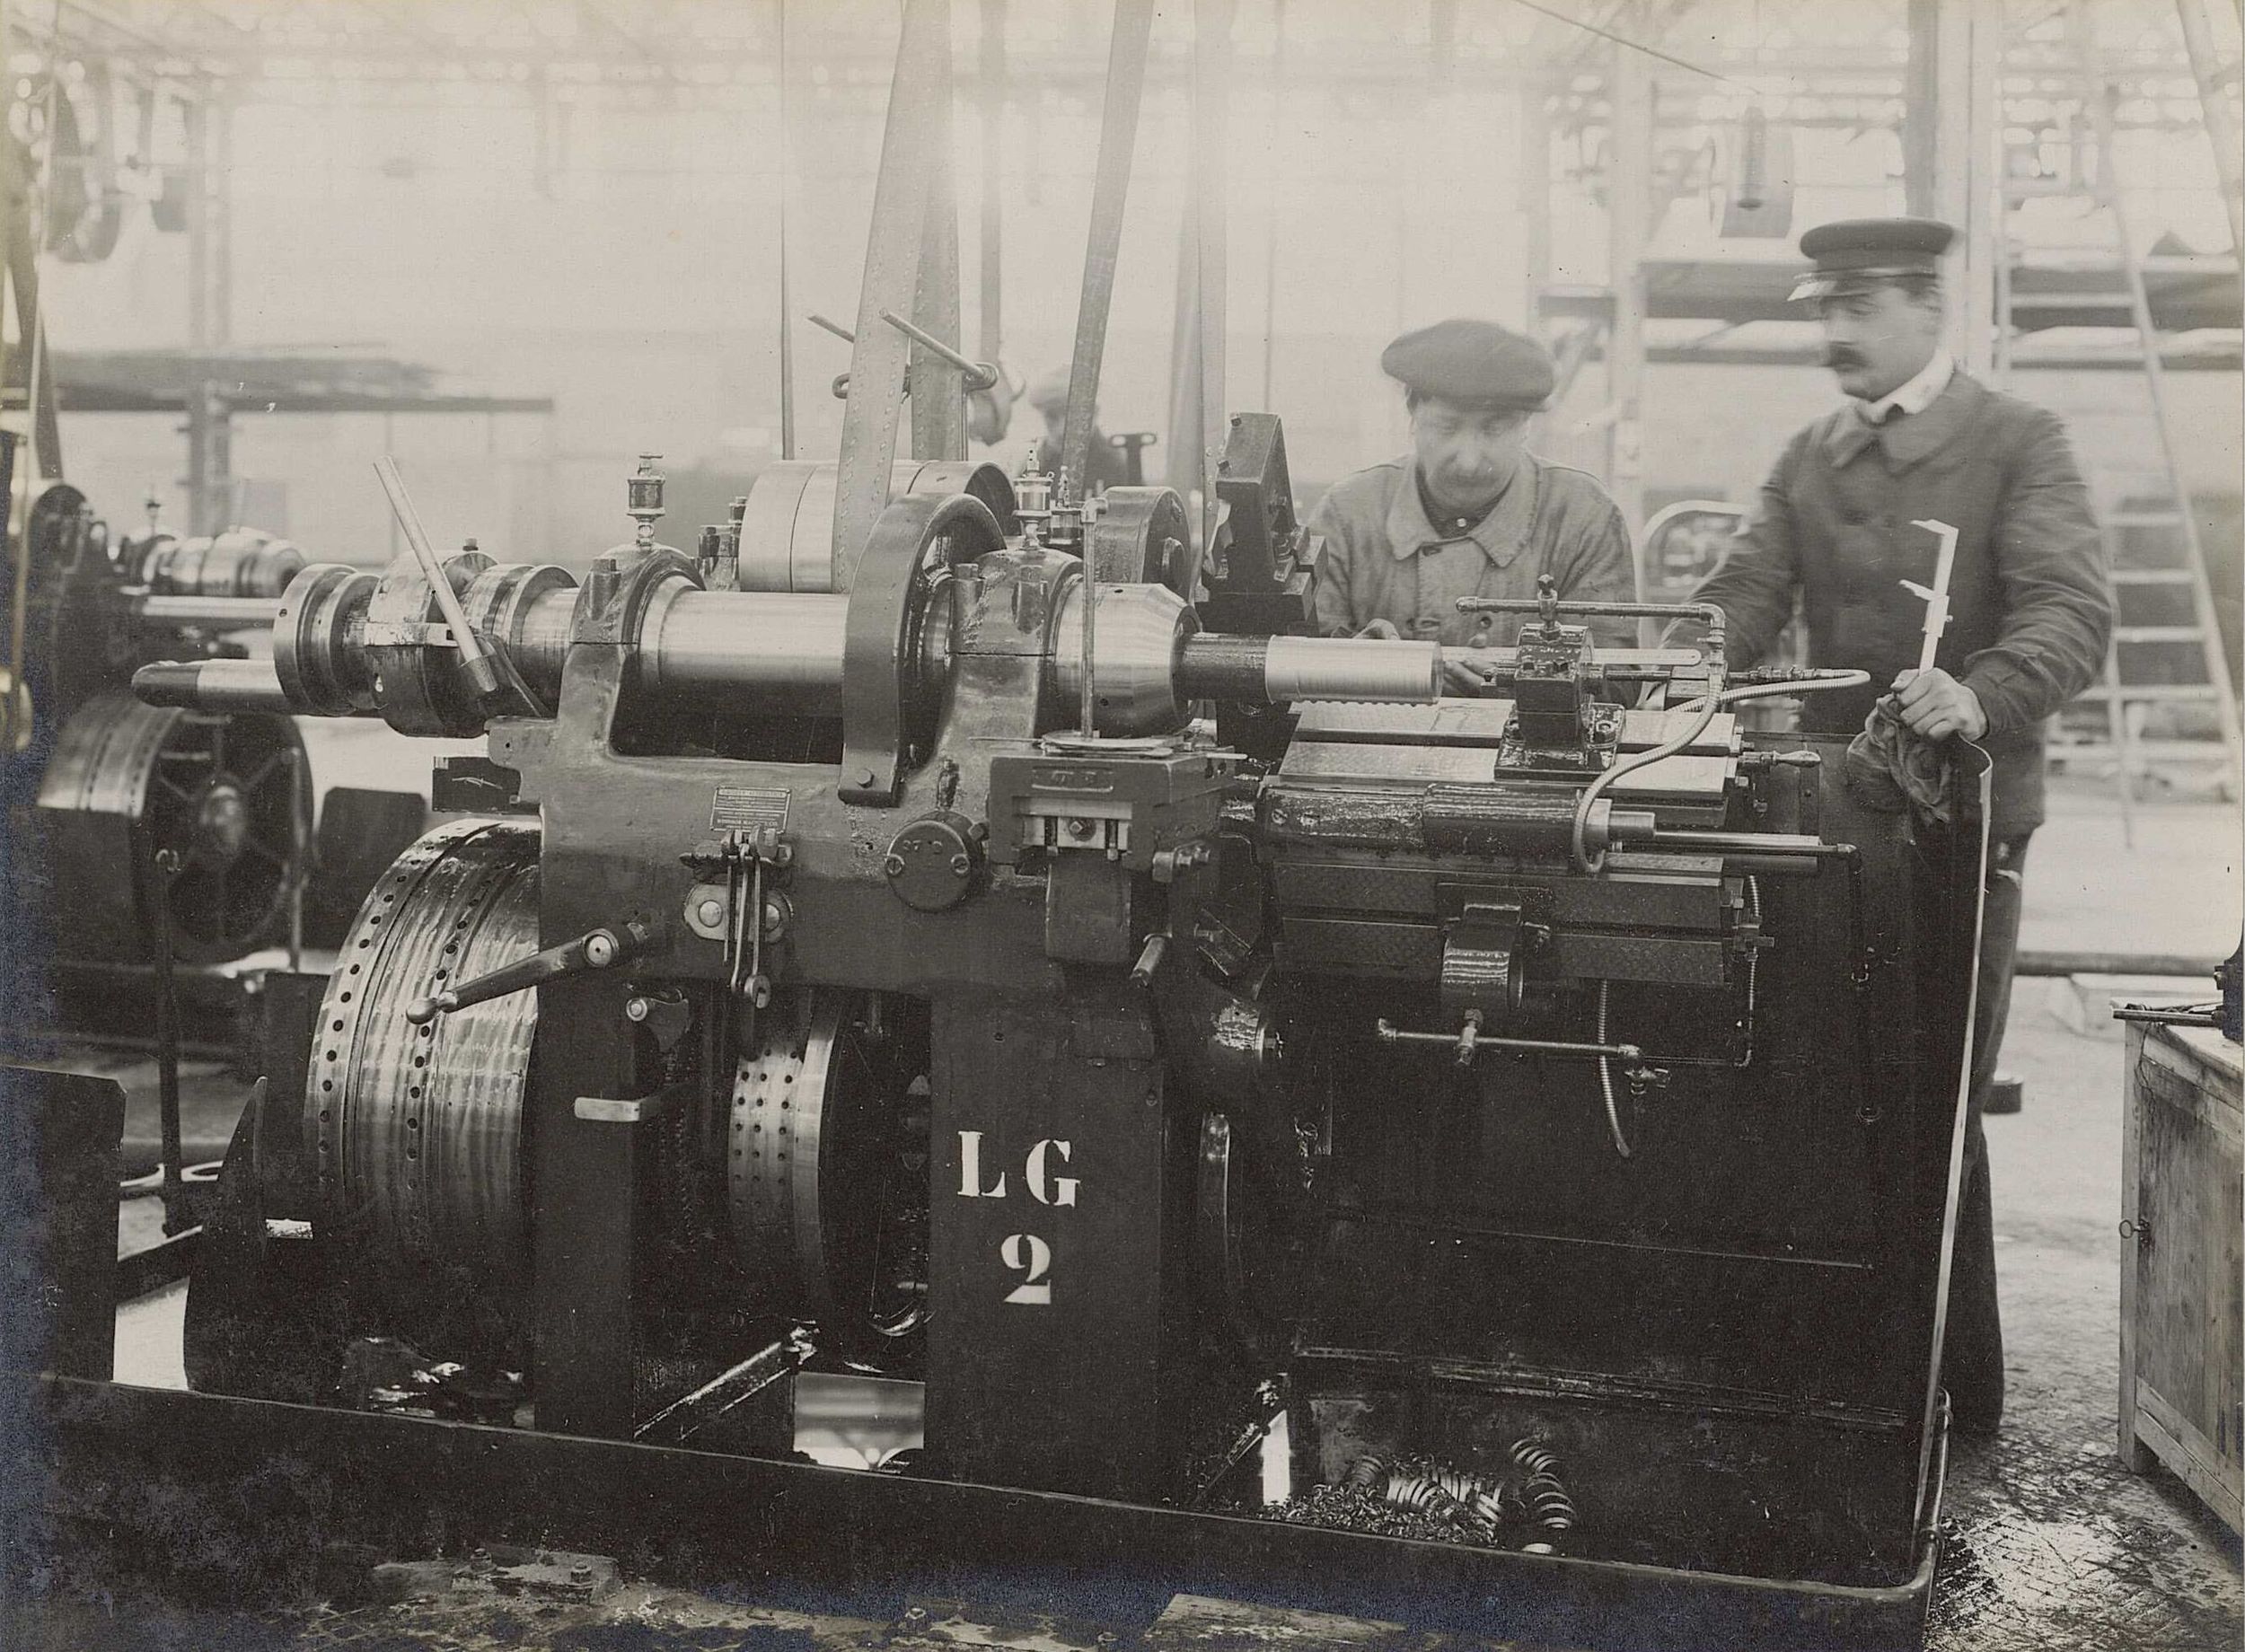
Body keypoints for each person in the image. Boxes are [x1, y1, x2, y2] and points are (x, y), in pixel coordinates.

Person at [1687, 216, 2111, 1434]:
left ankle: (1944, 1393)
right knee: (1825, 1089)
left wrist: (1981, 692)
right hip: (1834, 829)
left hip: (1964, 834)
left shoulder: (2019, 443)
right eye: (1824, 306)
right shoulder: (1811, 455)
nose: (1832, 333)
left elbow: (2071, 612)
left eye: (1860, 307)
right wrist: (1680, 661)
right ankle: (1837, 1383)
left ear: (1930, 309)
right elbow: (1743, 596)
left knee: (1934, 1100)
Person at [1305, 319, 1637, 693]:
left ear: (1525, 425)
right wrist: (1355, 664)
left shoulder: (1584, 517)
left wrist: (1525, 693)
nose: (1469, 460)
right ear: (1413, 417)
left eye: (1493, 430)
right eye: (1447, 428)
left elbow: (1619, 683)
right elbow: (1295, 666)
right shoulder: (1347, 513)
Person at [1024, 367, 1130, 496]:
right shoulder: (1039, 460)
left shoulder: (1113, 463)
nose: (1061, 429)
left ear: (1093, 413)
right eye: (1052, 417)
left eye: (1072, 416)